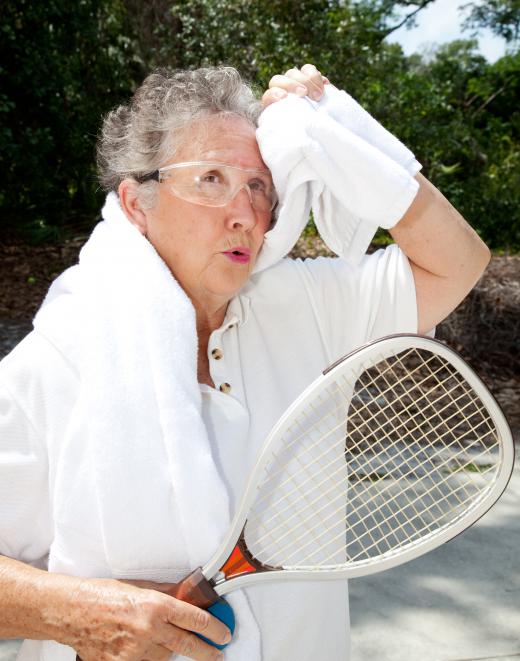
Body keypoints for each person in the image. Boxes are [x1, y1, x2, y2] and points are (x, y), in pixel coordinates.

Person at [0, 64, 490, 661]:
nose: (245, 214)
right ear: (136, 203)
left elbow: (459, 261)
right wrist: (79, 614)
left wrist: (344, 131)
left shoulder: (304, 305)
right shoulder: (60, 356)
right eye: (210, 178)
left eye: (259, 186)